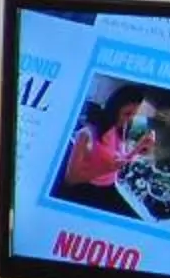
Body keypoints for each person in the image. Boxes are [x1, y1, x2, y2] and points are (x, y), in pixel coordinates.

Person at [55, 84, 156, 217]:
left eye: (134, 115)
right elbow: (70, 179)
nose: (129, 119)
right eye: (127, 114)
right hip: (89, 191)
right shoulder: (87, 134)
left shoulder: (121, 127)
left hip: (111, 186)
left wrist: (138, 151)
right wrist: (106, 168)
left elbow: (119, 159)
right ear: (114, 109)